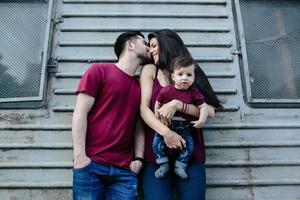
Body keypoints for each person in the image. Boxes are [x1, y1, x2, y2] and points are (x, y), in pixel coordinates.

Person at [140, 29, 222, 200]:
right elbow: (144, 109)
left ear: (167, 45)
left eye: (154, 46)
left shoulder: (190, 71)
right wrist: (167, 134)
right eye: (150, 46)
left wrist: (178, 105)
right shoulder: (150, 70)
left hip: (189, 154)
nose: (150, 50)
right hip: (157, 155)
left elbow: (211, 111)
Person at [72, 31, 150, 200]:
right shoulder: (99, 70)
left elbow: (138, 126)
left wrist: (139, 158)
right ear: (130, 45)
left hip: (124, 171)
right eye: (144, 43)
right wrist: (79, 156)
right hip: (91, 165)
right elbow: (80, 112)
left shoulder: (140, 88)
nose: (149, 47)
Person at [152, 56, 209, 180]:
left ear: (194, 78)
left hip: (184, 128)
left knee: (189, 147)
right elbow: (158, 102)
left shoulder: (194, 93)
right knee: (156, 143)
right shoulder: (167, 90)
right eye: (180, 74)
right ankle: (163, 164)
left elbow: (203, 107)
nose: (184, 78)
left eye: (189, 75)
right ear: (173, 77)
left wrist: (201, 120)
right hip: (167, 125)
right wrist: (157, 115)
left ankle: (180, 166)